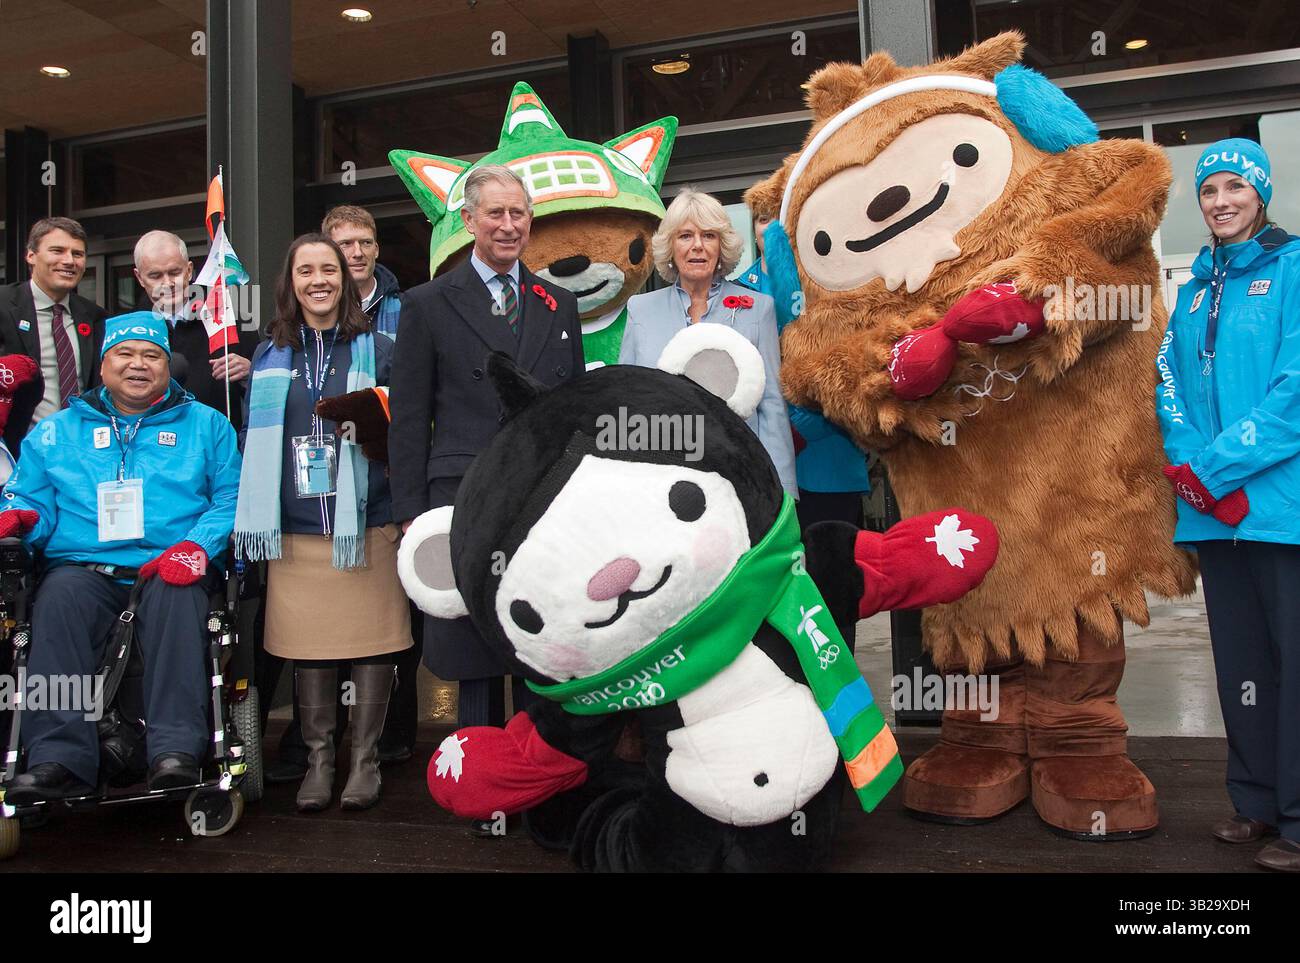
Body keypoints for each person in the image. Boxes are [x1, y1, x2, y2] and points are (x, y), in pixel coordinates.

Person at [388, 164, 584, 833]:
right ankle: (481, 790)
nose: (508, 226)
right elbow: (409, 417)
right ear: (468, 221)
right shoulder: (427, 304)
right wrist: (411, 511)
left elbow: (570, 409)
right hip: (462, 493)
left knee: (538, 633)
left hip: (539, 496)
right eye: (495, 214)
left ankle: (534, 778)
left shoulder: (559, 303)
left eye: (519, 214)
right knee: (473, 644)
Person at [0, 312, 241, 802]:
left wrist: (197, 547)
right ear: (104, 365)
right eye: (124, 355)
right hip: (83, 566)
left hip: (170, 562)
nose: (138, 365)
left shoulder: (207, 425)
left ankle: (173, 750)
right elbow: (31, 497)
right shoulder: (58, 430)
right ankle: (56, 757)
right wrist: (20, 518)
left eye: (151, 355)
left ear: (168, 366)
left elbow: (231, 499)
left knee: (177, 600)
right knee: (58, 600)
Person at [1156, 138, 1300, 873]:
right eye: (1209, 191)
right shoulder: (1193, 287)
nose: (1220, 202)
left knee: (1292, 662)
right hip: (1213, 511)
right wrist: (1188, 463)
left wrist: (1213, 465)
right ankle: (1255, 803)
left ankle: (1299, 822)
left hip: (1279, 508)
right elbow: (1167, 383)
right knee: (1240, 661)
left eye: (1233, 189)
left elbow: (1292, 395)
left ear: (1261, 194)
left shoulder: (1295, 269)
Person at [234, 234, 409, 813]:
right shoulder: (267, 354)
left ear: (346, 278)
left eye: (328, 270)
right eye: (305, 270)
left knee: (372, 647)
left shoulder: (382, 349)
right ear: (291, 282)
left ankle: (363, 763)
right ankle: (317, 762)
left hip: (368, 525)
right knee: (310, 649)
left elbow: (407, 436)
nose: (319, 280)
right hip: (297, 528)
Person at [619, 189, 797, 497]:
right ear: (671, 247)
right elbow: (627, 404)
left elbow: (772, 407)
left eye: (709, 235)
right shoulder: (640, 310)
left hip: (741, 474)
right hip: (663, 476)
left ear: (721, 246)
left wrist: (782, 492)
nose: (697, 246)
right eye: (685, 236)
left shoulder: (759, 308)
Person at [323, 204, 420, 766]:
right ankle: (329, 739)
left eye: (365, 242)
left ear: (377, 248)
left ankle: (396, 731)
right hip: (328, 488)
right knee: (336, 613)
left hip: (389, 479)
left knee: (398, 612)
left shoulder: (407, 310)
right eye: (345, 244)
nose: (356, 252)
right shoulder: (305, 314)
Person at [736, 203, 870, 530]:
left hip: (830, 458)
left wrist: (804, 424)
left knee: (835, 569)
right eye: (764, 219)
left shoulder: (828, 285)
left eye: (781, 218)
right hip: (765, 459)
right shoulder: (735, 291)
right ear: (753, 226)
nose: (772, 228)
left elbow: (849, 367)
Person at [0, 217, 107, 455]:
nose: (69, 261)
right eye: (57, 251)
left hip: (83, 452)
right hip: (17, 454)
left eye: (77, 254)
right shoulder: (3, 305)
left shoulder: (95, 317)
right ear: (31, 256)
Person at [133, 230, 253, 428]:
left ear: (189, 270)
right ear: (139, 278)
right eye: (155, 275)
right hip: (152, 449)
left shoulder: (231, 317)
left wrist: (250, 372)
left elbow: (264, 393)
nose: (167, 283)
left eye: (174, 272)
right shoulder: (130, 330)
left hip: (218, 446)